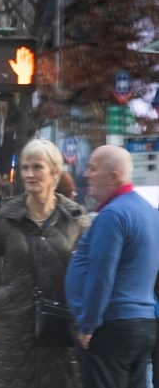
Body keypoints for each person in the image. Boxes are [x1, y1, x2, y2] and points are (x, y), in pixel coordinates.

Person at [0, 138, 89, 388]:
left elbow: (89, 270)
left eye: (37, 167)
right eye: (25, 167)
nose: (29, 174)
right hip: (14, 330)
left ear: (55, 172)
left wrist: (80, 312)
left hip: (58, 328)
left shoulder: (75, 219)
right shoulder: (7, 217)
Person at [65, 144, 159, 388]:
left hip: (110, 327)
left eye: (93, 169)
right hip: (143, 324)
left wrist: (87, 324)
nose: (87, 174)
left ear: (113, 176)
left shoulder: (113, 215)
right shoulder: (149, 212)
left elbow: (101, 275)